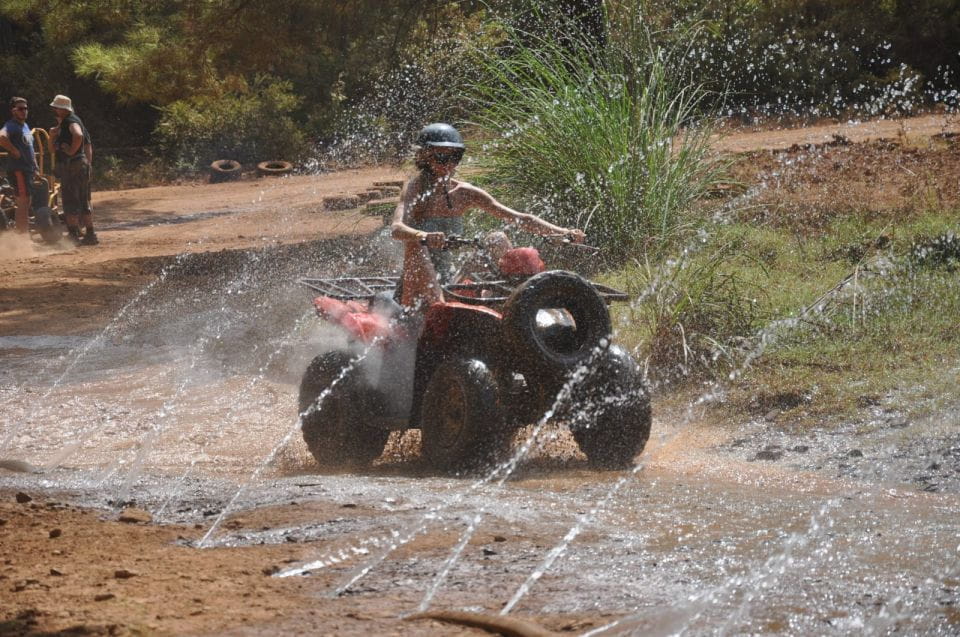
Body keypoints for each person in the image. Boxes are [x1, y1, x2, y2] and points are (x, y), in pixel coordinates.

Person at [391, 123, 585, 310]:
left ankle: (521, 306)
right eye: (442, 156)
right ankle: (440, 312)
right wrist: (423, 236)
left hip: (449, 279)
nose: (449, 163)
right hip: (415, 285)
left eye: (455, 157)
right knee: (415, 246)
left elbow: (520, 218)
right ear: (424, 156)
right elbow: (397, 229)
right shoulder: (415, 188)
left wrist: (563, 232)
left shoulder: (464, 192)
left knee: (497, 239)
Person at [49, 94, 96, 245]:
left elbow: (78, 135)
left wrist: (71, 152)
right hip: (79, 164)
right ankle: (90, 234)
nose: (55, 110)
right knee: (83, 201)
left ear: (62, 109)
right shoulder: (71, 121)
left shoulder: (70, 121)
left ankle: (73, 235)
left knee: (70, 201)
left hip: (71, 165)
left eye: (56, 108)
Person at [0, 97, 39, 234]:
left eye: (26, 108)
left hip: (27, 170)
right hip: (18, 170)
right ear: (13, 111)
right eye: (20, 108)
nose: (24, 111)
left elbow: (30, 148)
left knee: (26, 202)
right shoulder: (11, 125)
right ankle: (22, 238)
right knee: (23, 203)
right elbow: (2, 137)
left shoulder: (25, 126)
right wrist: (13, 150)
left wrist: (35, 166)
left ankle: (23, 234)